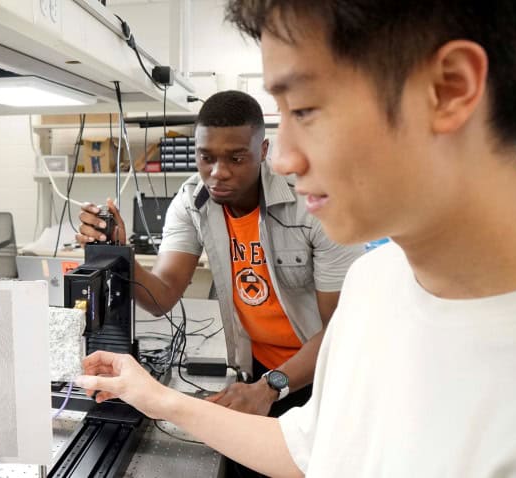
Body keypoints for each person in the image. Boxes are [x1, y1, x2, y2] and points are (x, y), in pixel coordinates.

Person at [75, 1, 516, 476]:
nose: (285, 160)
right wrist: (153, 397)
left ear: (448, 90)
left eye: (306, 109)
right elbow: (309, 449)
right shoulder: (373, 286)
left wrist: (271, 385)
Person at [77, 90, 361, 433]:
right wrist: (122, 255)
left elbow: (343, 328)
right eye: (206, 157)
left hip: (321, 377)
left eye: (236, 159)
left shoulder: (313, 205)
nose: (217, 173)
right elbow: (162, 295)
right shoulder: (191, 202)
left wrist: (272, 386)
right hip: (255, 371)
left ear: (264, 150)